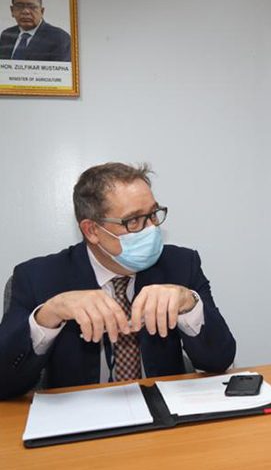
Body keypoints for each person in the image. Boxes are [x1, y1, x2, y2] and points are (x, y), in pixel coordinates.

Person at [0, 163, 236, 399]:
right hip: (81, 422)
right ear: (92, 230)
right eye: (133, 221)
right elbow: (5, 384)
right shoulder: (37, 277)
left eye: (153, 214)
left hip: (164, 420)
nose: (151, 229)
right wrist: (48, 315)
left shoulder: (181, 264)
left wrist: (189, 304)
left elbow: (220, 361)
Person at [0, 0, 71, 61]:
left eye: (32, 7)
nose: (25, 11)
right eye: (19, 6)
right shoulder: (7, 35)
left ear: (42, 11)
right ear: (12, 11)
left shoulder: (60, 38)